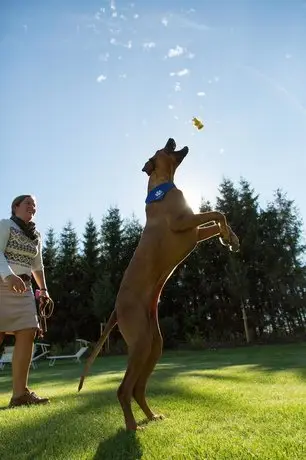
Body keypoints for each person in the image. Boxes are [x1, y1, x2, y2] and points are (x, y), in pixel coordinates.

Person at [0, 194, 51, 407]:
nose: (32, 206)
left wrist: (44, 289)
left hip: (25, 289)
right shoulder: (5, 225)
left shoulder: (36, 235)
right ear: (16, 207)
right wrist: (8, 275)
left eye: (35, 204)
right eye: (28, 203)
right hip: (2, 285)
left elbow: (37, 266)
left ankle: (19, 395)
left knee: (28, 331)